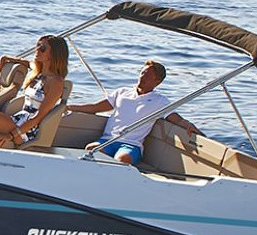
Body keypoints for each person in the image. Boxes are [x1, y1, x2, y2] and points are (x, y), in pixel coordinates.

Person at [68, 60, 201, 165]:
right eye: (142, 73)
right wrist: (69, 107)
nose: (142, 77)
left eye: (148, 76)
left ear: (157, 82)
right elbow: (95, 107)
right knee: (91, 149)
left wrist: (188, 125)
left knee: (122, 159)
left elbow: (176, 118)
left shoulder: (160, 101)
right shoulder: (122, 92)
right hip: (108, 140)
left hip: (131, 145)